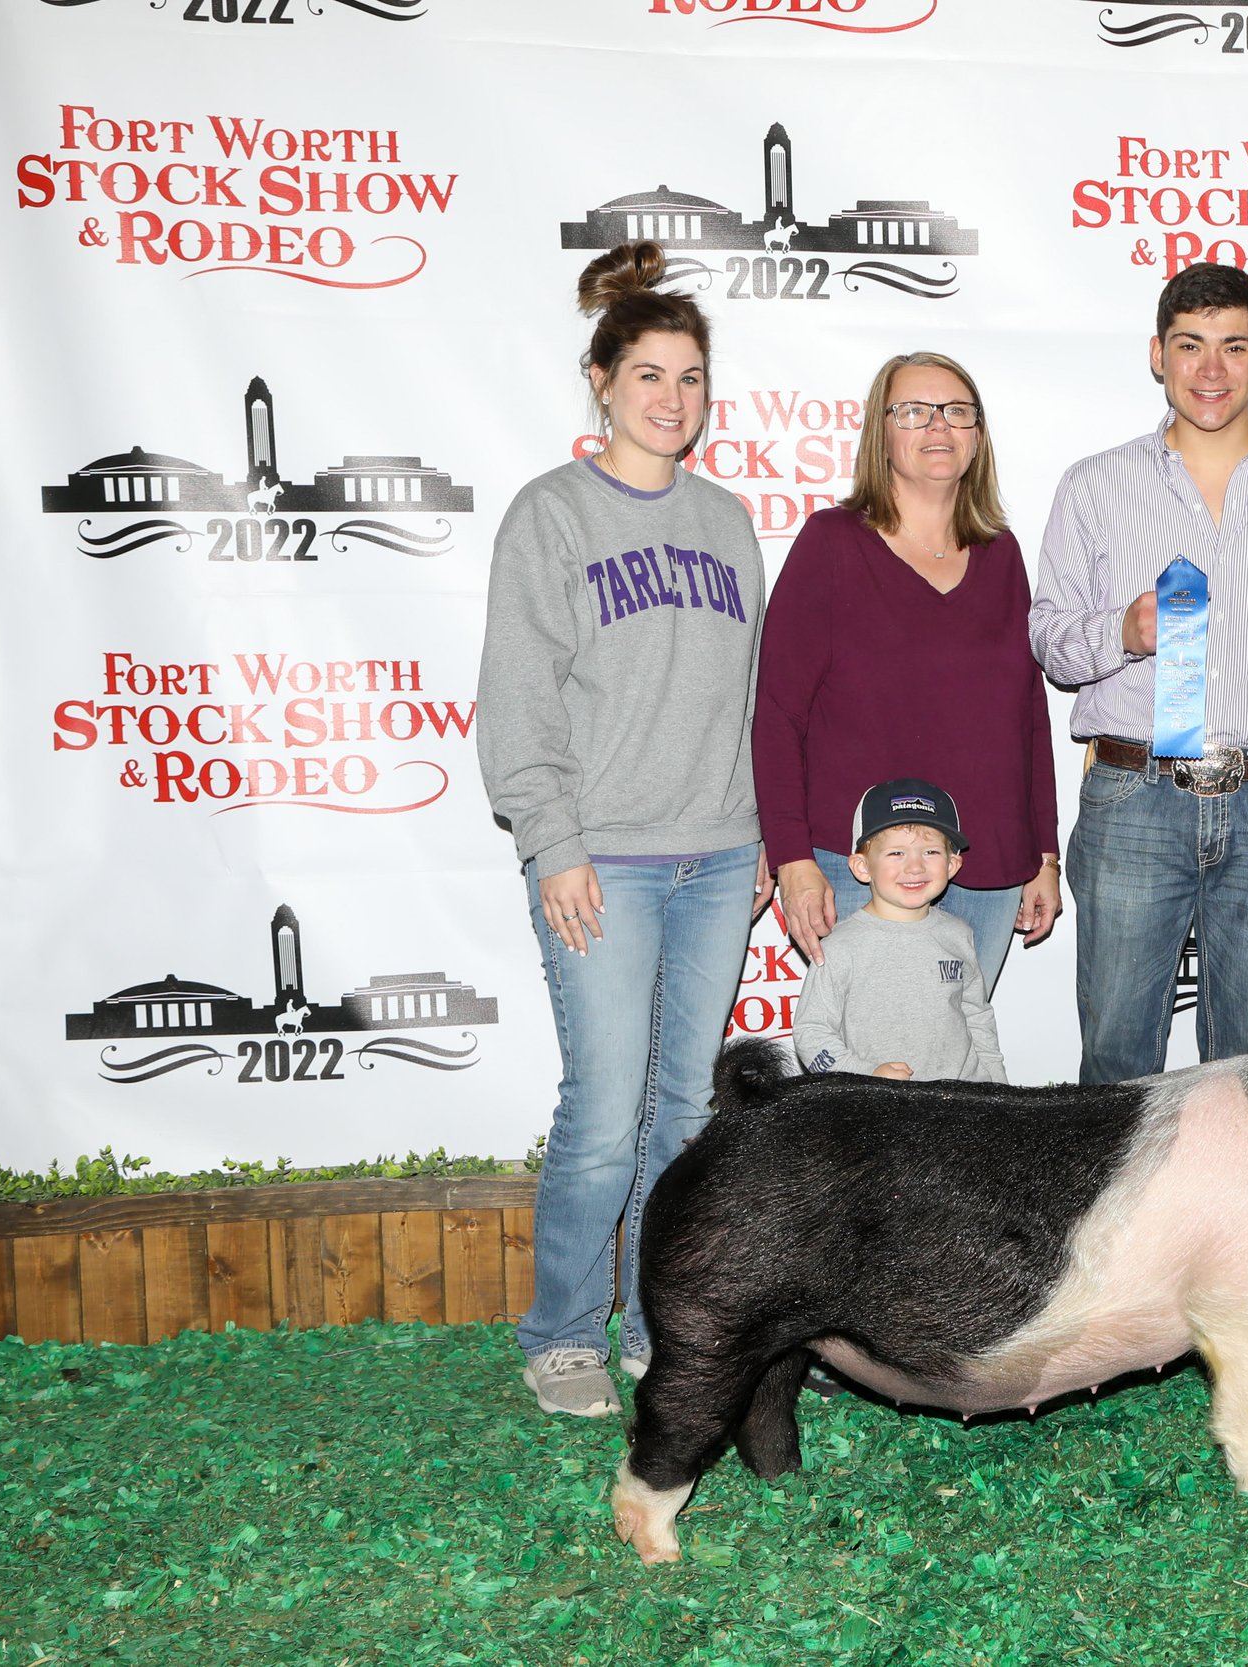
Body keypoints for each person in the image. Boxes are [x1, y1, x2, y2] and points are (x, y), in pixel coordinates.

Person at [476, 241, 771, 1419]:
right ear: (599, 379)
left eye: (690, 377)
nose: (672, 397)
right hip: (605, 862)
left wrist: (754, 837)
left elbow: (747, 698)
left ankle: (661, 1318)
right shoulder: (548, 516)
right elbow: (518, 698)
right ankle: (558, 1330)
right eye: (649, 373)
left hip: (717, 857)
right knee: (603, 1109)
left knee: (686, 1113)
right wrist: (554, 843)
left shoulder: (728, 519)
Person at [1030, 262, 1248, 1083]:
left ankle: (1232, 1221)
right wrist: (1122, 629)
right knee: (1117, 1067)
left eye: (1233, 347)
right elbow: (1049, 637)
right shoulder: (1094, 486)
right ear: (1157, 354)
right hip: (1133, 797)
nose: (1211, 370)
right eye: (1191, 346)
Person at [756, 352, 1060, 998]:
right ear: (881, 433)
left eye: (956, 411)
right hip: (859, 865)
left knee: (950, 1073)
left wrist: (1044, 854)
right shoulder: (831, 544)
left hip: (990, 865)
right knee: (877, 1076)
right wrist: (791, 857)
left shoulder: (1001, 551)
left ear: (977, 435)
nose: (938, 427)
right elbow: (779, 713)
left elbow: (1028, 713)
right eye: (914, 412)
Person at [791, 778, 1007, 1084]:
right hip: (879, 1111)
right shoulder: (839, 947)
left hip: (961, 1110)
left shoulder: (959, 935)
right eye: (896, 853)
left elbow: (977, 1015)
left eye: (931, 852)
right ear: (862, 867)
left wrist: (996, 1087)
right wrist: (866, 1076)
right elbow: (811, 1033)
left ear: (952, 865)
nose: (915, 867)